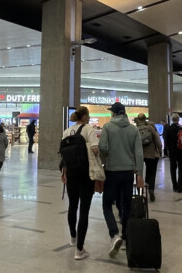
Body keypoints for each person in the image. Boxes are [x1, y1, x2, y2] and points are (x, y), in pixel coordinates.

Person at [98, 102, 145, 258]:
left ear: (114, 113)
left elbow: (103, 147)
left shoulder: (107, 128)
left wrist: (106, 160)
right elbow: (139, 152)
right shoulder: (133, 129)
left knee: (106, 204)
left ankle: (114, 234)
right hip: (128, 172)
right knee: (126, 204)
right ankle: (125, 237)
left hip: (112, 171)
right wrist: (139, 174)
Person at [60, 107, 99, 260]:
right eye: (88, 115)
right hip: (85, 174)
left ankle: (73, 238)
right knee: (84, 210)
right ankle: (79, 250)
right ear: (85, 116)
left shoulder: (67, 131)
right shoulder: (88, 129)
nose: (89, 118)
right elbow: (95, 149)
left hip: (70, 174)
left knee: (72, 205)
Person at [133, 113, 162, 201]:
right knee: (151, 172)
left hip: (139, 154)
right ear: (145, 119)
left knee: (139, 173)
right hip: (151, 154)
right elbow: (158, 141)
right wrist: (160, 150)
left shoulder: (135, 129)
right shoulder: (150, 128)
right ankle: (151, 189)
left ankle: (140, 192)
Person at [163, 113, 182, 192]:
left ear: (172, 120)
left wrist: (165, 150)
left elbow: (165, 140)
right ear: (179, 119)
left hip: (172, 151)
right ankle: (180, 186)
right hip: (181, 151)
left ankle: (174, 186)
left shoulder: (169, 128)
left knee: (173, 169)